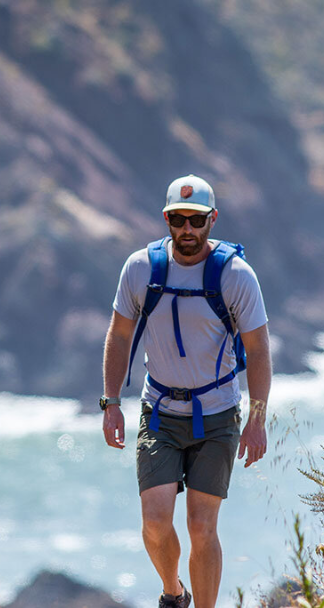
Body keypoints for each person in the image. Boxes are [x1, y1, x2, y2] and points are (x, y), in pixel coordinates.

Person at [100, 174, 271, 608]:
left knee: (201, 526)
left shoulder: (236, 276)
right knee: (155, 522)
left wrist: (257, 419)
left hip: (217, 416)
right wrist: (111, 402)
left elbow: (258, 348)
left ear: (212, 219)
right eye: (178, 219)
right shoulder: (142, 268)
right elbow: (119, 335)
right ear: (166, 219)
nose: (187, 230)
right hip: (159, 413)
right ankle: (173, 593)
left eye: (196, 220)